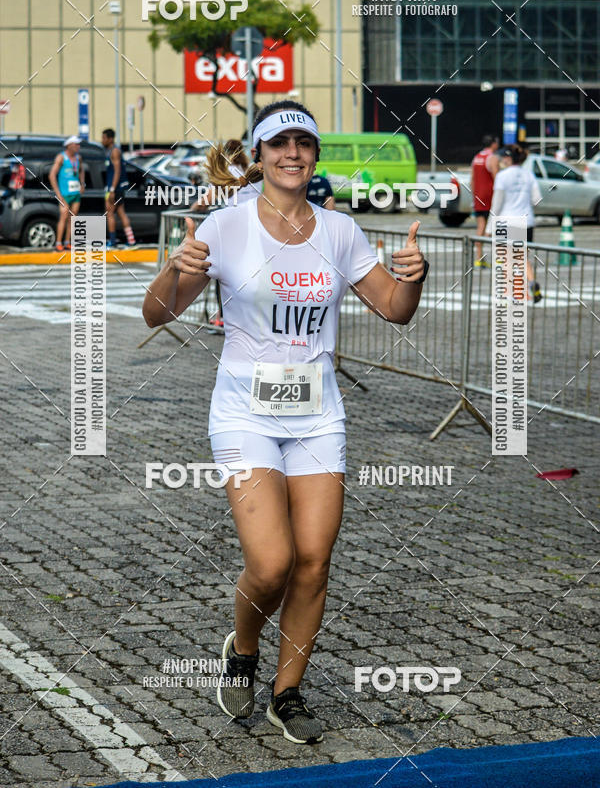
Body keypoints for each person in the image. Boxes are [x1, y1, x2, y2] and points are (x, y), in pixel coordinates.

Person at [143, 100, 428, 744]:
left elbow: (395, 308)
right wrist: (176, 269)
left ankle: (287, 692)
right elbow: (156, 314)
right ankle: (243, 649)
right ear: (260, 154)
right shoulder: (226, 226)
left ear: (315, 155)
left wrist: (414, 277)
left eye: (303, 143)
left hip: (318, 418)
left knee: (313, 562)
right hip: (244, 413)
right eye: (279, 143)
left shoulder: (340, 231)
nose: (292, 153)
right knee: (272, 562)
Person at [486, 144, 542, 303]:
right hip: (527, 221)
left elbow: (497, 204)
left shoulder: (502, 176)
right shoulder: (529, 174)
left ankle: (511, 293)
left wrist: (489, 227)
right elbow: (537, 199)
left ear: (508, 159)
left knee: (508, 260)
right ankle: (532, 283)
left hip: (507, 221)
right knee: (523, 257)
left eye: (503, 157)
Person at [189, 139, 262, 212]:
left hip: (234, 216)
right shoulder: (255, 170)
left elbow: (205, 202)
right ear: (243, 152)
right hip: (257, 214)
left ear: (226, 154)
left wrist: (191, 211)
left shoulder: (223, 174)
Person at [49, 136, 85, 251]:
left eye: (79, 144)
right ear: (69, 145)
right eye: (76, 144)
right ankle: (58, 242)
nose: (78, 146)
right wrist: (58, 194)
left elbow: (81, 170)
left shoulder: (78, 158)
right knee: (63, 217)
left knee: (73, 218)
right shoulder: (61, 157)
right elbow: (52, 175)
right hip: (64, 194)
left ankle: (67, 242)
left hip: (75, 193)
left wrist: (82, 183)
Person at [101, 128, 136, 247]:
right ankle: (131, 240)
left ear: (110, 139)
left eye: (104, 138)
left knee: (109, 213)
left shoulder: (114, 151)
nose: (102, 140)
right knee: (121, 212)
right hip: (115, 187)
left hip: (114, 188)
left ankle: (112, 241)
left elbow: (117, 171)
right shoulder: (110, 151)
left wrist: (112, 189)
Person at [470, 135, 500, 267]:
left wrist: (474, 195)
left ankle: (479, 258)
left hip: (478, 197)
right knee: (496, 227)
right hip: (490, 197)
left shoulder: (476, 157)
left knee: (481, 226)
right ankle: (498, 258)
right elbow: (497, 179)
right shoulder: (492, 158)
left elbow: (472, 179)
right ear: (493, 144)